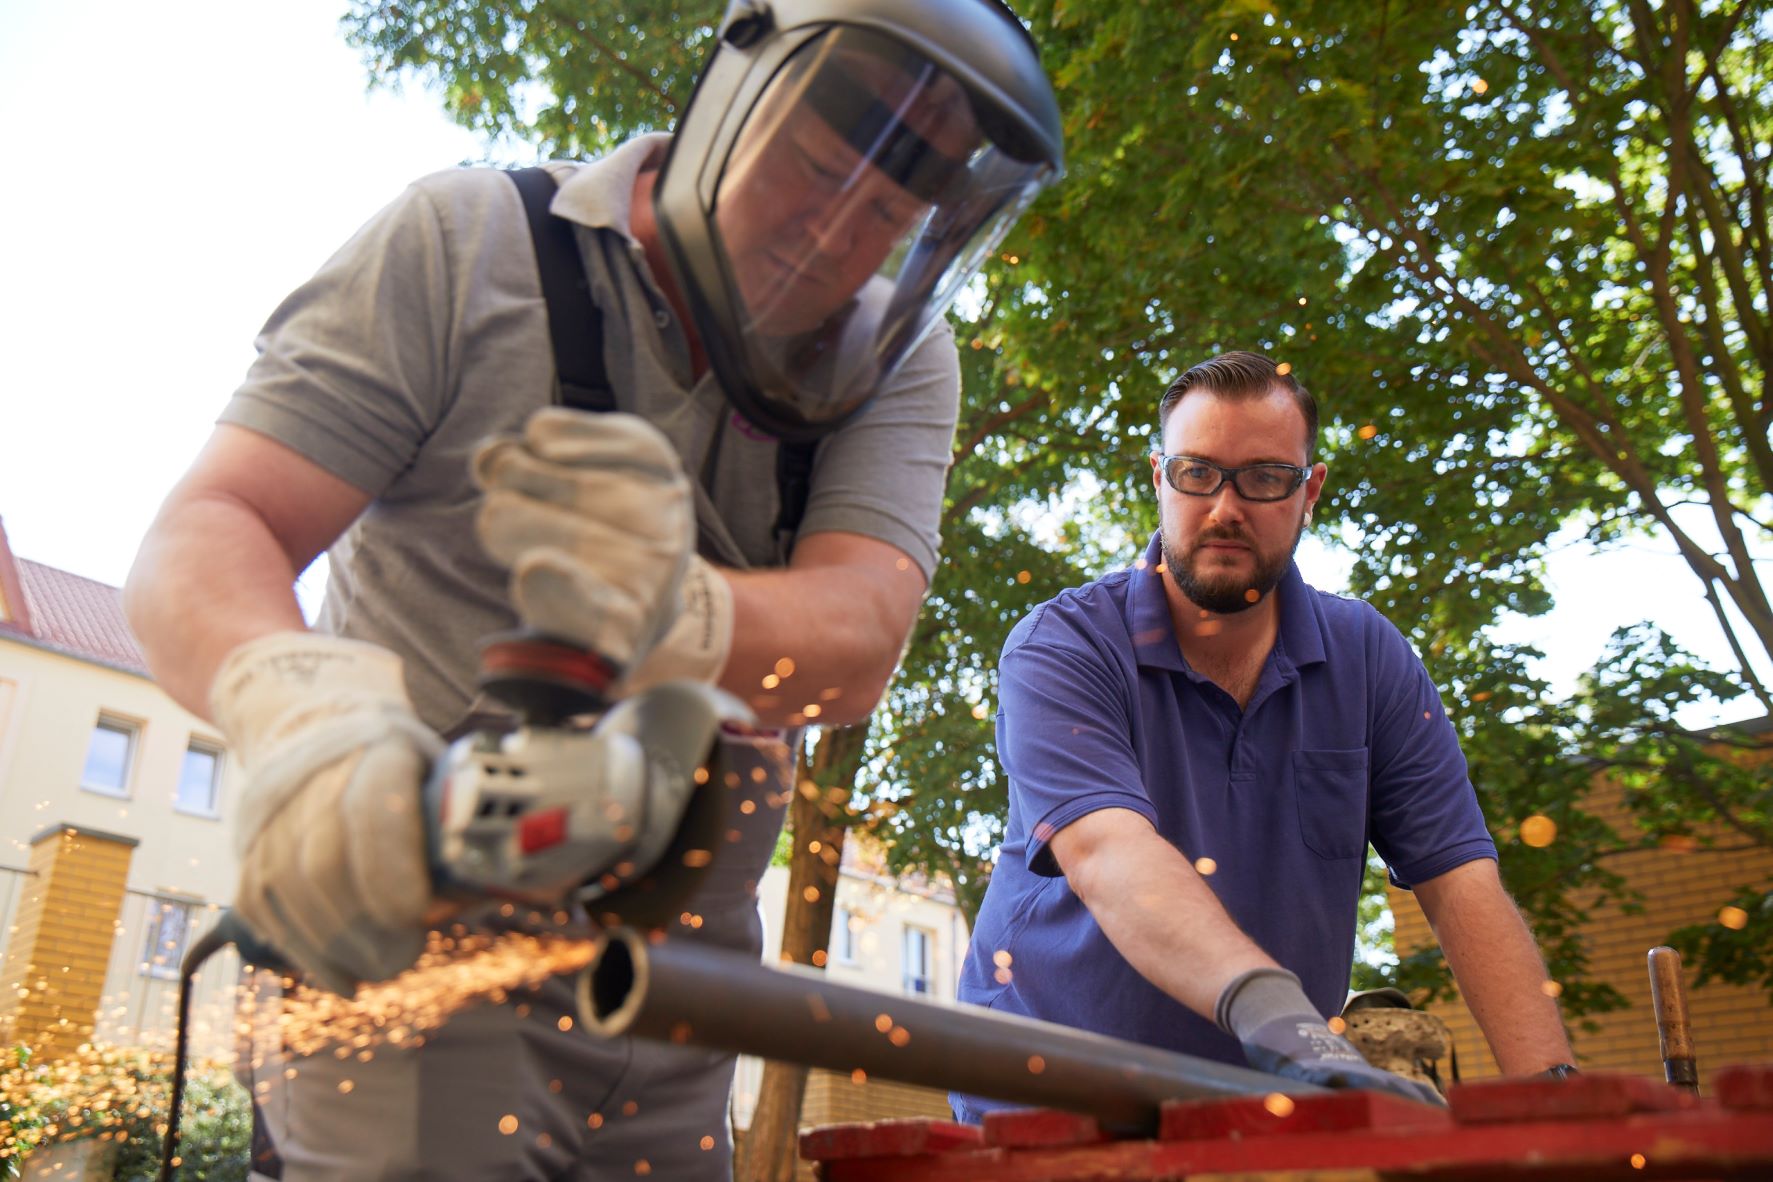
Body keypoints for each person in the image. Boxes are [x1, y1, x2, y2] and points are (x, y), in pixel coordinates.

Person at [124, 2, 1062, 1178]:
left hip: (674, 1004)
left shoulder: (897, 358)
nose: (835, 240)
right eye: (817, 171)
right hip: (409, 950)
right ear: (730, 93)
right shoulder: (466, 241)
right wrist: (302, 712)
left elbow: (857, 639)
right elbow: (212, 526)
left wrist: (674, 610)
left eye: (888, 215)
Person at [953, 351, 1575, 1121]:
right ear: (1158, 479)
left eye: (1264, 478)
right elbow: (1109, 854)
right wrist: (1288, 1025)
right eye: (1197, 473)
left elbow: (1460, 883)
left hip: (1265, 1110)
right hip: (1047, 1097)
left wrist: (1551, 1096)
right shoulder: (1063, 645)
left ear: (1308, 491)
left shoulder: (1369, 659)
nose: (1224, 507)